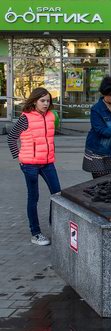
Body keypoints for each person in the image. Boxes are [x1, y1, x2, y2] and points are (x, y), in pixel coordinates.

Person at [8, 88, 61, 246]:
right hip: (30, 165)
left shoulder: (51, 116)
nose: (46, 104)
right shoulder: (26, 118)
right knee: (33, 198)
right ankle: (36, 233)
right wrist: (19, 157)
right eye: (42, 101)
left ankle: (56, 227)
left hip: (48, 163)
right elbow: (11, 138)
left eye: (48, 101)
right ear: (34, 101)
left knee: (58, 195)